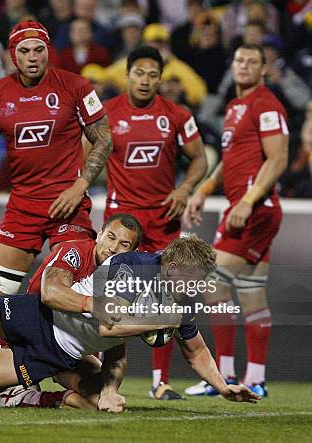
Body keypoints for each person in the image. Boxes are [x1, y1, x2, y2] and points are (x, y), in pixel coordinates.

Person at [0, 230, 260, 409]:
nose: (194, 289)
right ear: (168, 268)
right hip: (39, 313)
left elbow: (196, 347)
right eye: (189, 281)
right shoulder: (133, 266)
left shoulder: (180, 300)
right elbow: (110, 326)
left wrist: (222, 386)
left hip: (57, 351)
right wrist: (152, 322)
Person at [0, 21, 113, 367]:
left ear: (48, 51)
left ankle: (93, 379)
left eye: (39, 50)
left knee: (70, 294)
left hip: (70, 209)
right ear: (12, 55)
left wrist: (79, 186)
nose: (32, 57)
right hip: (21, 209)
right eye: (24, 51)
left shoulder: (75, 87)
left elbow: (104, 138)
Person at [101, 45, 207, 400]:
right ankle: (105, 381)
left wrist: (185, 188)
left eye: (152, 74)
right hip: (123, 222)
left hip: (164, 218)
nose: (145, 80)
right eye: (139, 73)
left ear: (160, 78)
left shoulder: (176, 114)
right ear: (127, 74)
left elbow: (199, 160)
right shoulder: (106, 113)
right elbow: (85, 158)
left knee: (169, 300)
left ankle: (160, 381)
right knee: (113, 301)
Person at [183, 44, 289, 398]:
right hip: (246, 206)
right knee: (250, 293)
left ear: (263, 69)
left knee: (212, 281)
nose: (244, 66)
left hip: (254, 209)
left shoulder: (266, 105)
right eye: (239, 60)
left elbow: (277, 159)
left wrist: (247, 200)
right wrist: (204, 188)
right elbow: (232, 160)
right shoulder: (234, 107)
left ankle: (224, 375)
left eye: (252, 61)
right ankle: (254, 378)